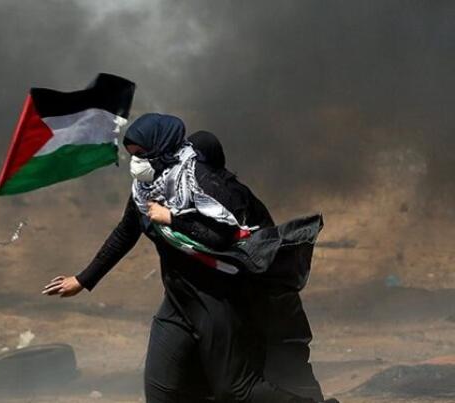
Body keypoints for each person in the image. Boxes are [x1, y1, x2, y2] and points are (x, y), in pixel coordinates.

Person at [43, 114, 336, 403]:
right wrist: (82, 280)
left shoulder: (202, 181)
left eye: (141, 154)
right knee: (162, 391)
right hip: (178, 300)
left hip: (219, 301)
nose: (136, 162)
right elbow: (125, 233)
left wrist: (173, 218)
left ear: (161, 149)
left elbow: (223, 235)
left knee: (235, 391)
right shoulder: (146, 190)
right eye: (132, 155)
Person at [187, 130, 325, 401]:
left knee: (286, 376)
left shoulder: (225, 197)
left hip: (269, 303)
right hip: (269, 301)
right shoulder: (222, 192)